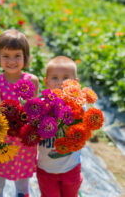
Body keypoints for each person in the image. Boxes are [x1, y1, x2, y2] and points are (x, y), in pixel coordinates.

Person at [0, 29, 39, 197]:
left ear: (26, 57)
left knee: (22, 184)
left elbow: (34, 111)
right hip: (4, 140)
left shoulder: (32, 81)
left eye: (17, 55)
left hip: (24, 141)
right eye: (6, 56)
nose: (12, 61)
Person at [37, 56, 82, 197]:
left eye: (66, 78)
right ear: (46, 82)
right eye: (55, 78)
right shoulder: (40, 106)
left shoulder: (79, 107)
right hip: (46, 169)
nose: (60, 83)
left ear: (75, 82)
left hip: (71, 168)